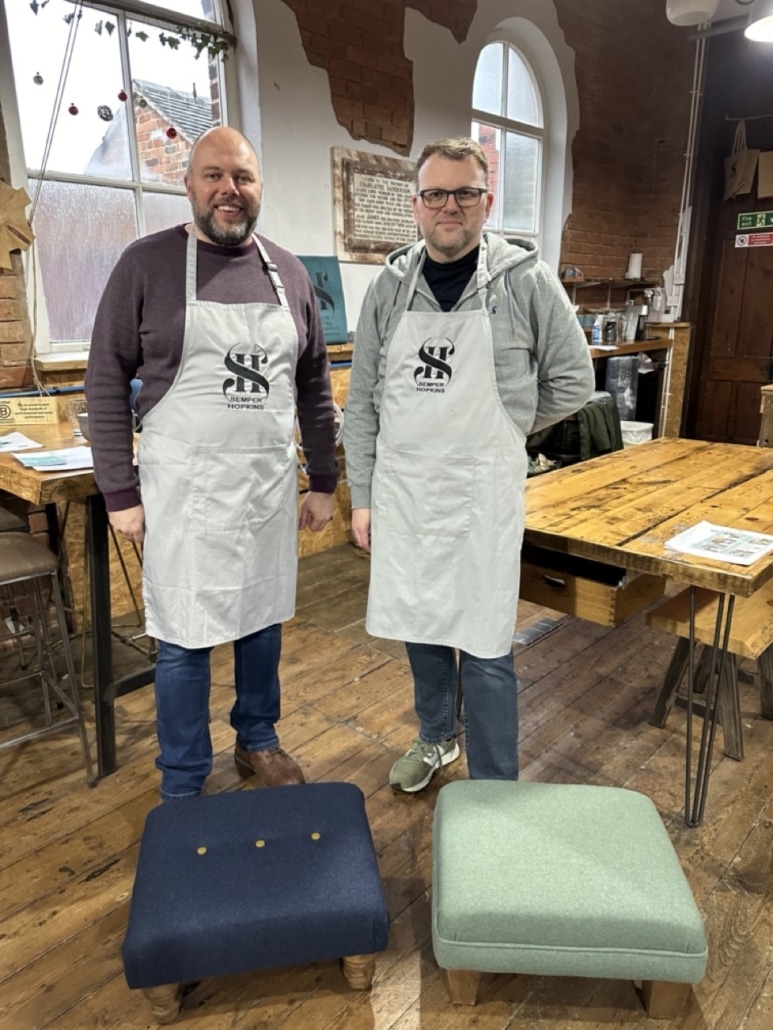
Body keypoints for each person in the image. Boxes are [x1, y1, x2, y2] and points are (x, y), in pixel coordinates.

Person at [85, 126, 339, 801]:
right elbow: (105, 379)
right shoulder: (145, 265)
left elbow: (312, 384)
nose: (229, 189)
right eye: (213, 176)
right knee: (184, 640)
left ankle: (257, 738)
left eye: (243, 177)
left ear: (259, 187)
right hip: (183, 492)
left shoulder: (288, 273)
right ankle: (184, 777)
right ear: (190, 184)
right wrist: (119, 490)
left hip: (263, 487)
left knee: (260, 623)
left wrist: (324, 480)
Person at [343, 137, 595, 793]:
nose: (447, 206)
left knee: (485, 646)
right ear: (416, 206)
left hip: (482, 495)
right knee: (420, 624)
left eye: (462, 193)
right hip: (406, 495)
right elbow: (364, 401)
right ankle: (434, 740)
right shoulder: (389, 289)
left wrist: (507, 424)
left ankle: (493, 782)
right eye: (434, 194)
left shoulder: (525, 281)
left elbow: (571, 380)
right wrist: (362, 496)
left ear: (486, 203)